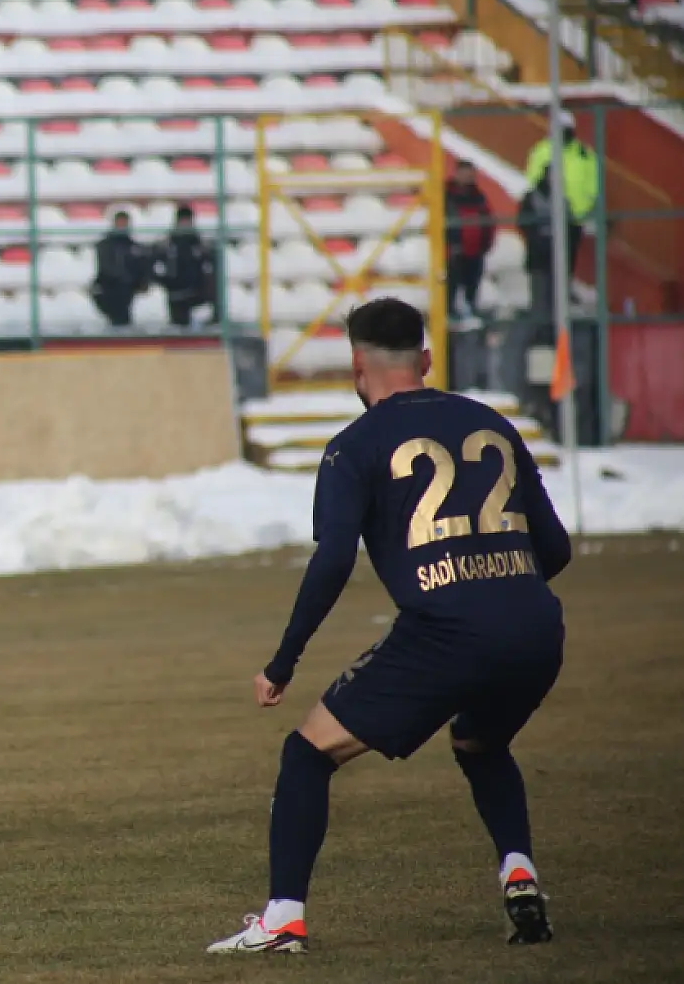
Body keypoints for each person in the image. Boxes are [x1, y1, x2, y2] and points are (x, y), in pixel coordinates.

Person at [208, 297, 571, 955]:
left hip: (445, 629)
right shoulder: (492, 421)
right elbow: (558, 548)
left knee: (307, 752)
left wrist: (283, 661)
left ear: (356, 364)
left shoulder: (354, 445)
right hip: (537, 625)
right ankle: (519, 869)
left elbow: (334, 559)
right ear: (426, 359)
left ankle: (283, 917)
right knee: (480, 743)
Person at [521, 110, 599, 321]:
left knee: (567, 260)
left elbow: (593, 185)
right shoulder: (542, 151)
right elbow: (533, 181)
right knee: (543, 263)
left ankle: (563, 297)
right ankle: (542, 305)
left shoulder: (584, 154)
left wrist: (582, 208)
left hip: (573, 218)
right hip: (546, 217)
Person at [445, 160, 495, 325]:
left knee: (473, 284)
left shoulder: (479, 197)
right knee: (451, 285)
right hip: (453, 251)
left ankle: (471, 310)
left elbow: (488, 220)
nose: (468, 177)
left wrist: (487, 243)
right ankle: (450, 313)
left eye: (471, 174)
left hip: (476, 251)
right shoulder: (446, 195)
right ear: (457, 174)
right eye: (465, 173)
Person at [90, 209, 151, 327]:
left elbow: (142, 267)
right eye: (120, 223)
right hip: (110, 289)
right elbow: (106, 268)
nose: (122, 226)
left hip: (128, 290)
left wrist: (141, 280)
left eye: (125, 223)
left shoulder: (134, 247)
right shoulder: (105, 245)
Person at [159, 204, 214, 328]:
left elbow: (209, 266)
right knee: (178, 328)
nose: (185, 224)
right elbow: (157, 266)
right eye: (182, 221)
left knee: (198, 326)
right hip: (176, 293)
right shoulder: (168, 244)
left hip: (196, 293)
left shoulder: (199, 244)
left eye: (188, 221)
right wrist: (166, 282)